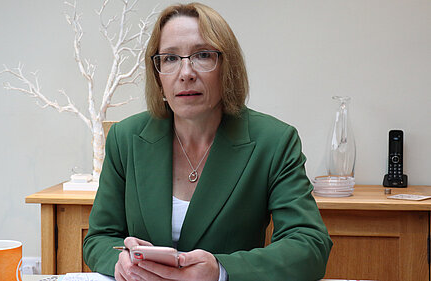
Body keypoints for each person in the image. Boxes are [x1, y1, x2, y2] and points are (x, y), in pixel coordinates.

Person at [83, 3, 332, 281]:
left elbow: (310, 246)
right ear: (158, 73)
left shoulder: (274, 141)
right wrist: (120, 263)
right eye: (170, 58)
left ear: (228, 67)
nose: (186, 72)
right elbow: (100, 238)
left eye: (202, 55)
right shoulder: (125, 138)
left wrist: (221, 271)